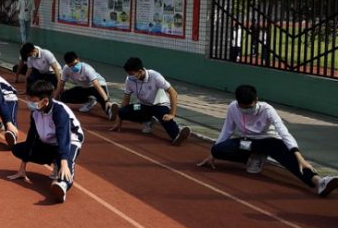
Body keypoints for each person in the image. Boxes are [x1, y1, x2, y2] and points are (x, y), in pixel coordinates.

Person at [198, 85, 336, 196]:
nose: (246, 110)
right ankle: (255, 157)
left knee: (292, 160)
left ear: (256, 100)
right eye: (242, 107)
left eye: (249, 107)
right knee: (217, 149)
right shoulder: (233, 107)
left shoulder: (267, 109)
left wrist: (299, 156)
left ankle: (320, 182)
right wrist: (212, 155)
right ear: (237, 102)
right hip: (248, 143)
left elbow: (283, 131)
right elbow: (227, 130)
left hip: (269, 141)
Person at [7, 80, 84, 204]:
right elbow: (32, 136)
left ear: (45, 101)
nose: (30, 103)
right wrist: (22, 167)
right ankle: (55, 161)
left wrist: (64, 163)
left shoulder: (60, 111)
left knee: (66, 169)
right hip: (48, 144)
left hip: (69, 142)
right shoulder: (36, 112)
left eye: (33, 101)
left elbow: (63, 136)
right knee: (18, 149)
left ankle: (62, 186)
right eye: (28, 99)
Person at [111, 57, 191, 146]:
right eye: (128, 74)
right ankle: (148, 120)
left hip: (159, 106)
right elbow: (126, 98)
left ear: (140, 72)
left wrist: (172, 114)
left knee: (165, 118)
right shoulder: (129, 80)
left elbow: (173, 93)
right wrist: (119, 120)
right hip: (141, 106)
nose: (129, 76)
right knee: (123, 111)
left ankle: (177, 135)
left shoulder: (155, 76)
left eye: (131, 74)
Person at [53, 52, 115, 119]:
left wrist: (107, 101)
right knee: (62, 97)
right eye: (71, 66)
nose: (74, 67)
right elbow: (61, 84)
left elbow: (97, 85)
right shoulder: (66, 69)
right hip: (83, 88)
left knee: (104, 103)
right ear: (67, 65)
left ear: (78, 59)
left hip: (97, 85)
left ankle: (110, 111)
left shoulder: (87, 69)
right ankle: (90, 100)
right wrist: (54, 99)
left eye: (75, 64)